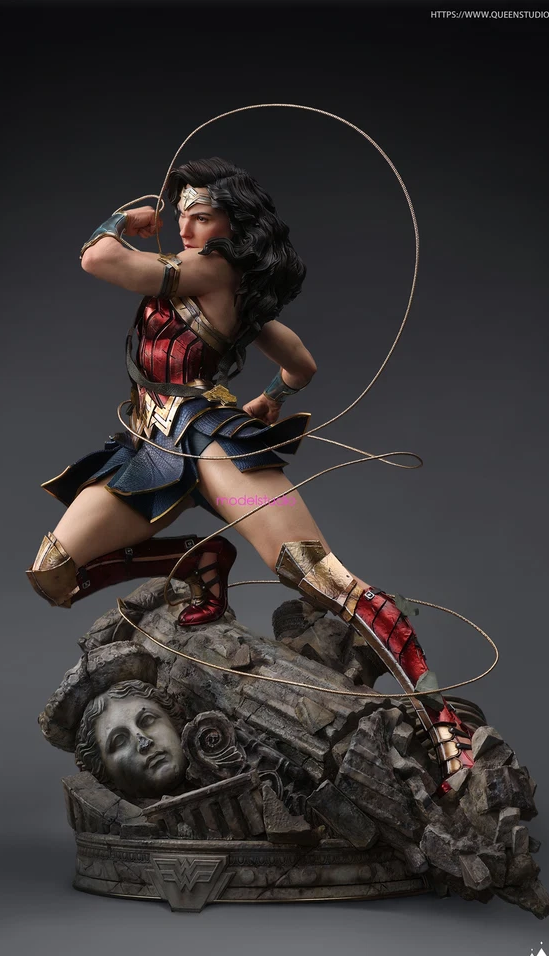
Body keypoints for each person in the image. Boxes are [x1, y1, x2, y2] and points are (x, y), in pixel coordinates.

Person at [26, 157, 474, 791]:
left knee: (318, 577)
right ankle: (201, 562)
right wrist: (272, 398)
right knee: (55, 571)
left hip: (214, 451)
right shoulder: (226, 290)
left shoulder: (213, 270)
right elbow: (301, 365)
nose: (186, 228)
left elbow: (98, 259)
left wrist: (123, 218)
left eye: (202, 217)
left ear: (233, 227)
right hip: (149, 451)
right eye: (182, 215)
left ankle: (444, 726)